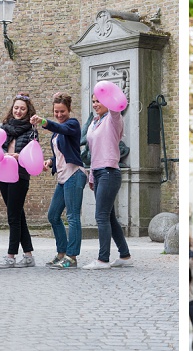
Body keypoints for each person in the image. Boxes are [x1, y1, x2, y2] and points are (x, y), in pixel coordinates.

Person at [30, 92, 85, 269]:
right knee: (53, 215)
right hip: (62, 177)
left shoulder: (72, 124)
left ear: (69, 110)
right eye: (56, 111)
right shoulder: (57, 132)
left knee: (72, 216)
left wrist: (44, 122)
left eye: (62, 111)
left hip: (74, 175)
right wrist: (50, 161)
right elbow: (60, 153)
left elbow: (62, 129)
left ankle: (72, 256)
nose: (59, 115)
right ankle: (61, 253)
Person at [81, 93, 132, 270]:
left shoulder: (113, 119)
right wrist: (92, 175)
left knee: (101, 216)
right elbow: (94, 151)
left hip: (110, 172)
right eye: (93, 101)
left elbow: (116, 108)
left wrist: (108, 93)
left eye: (99, 101)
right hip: (98, 172)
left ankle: (103, 259)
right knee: (109, 216)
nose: (95, 104)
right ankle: (125, 255)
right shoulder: (95, 122)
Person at [0, 93, 38, 269]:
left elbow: (34, 154)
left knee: (13, 216)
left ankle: (11, 256)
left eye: (22, 108)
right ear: (12, 109)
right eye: (16, 108)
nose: (19, 111)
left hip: (20, 175)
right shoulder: (4, 128)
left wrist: (19, 156)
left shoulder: (30, 130)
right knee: (18, 214)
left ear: (28, 111)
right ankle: (28, 255)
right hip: (3, 173)